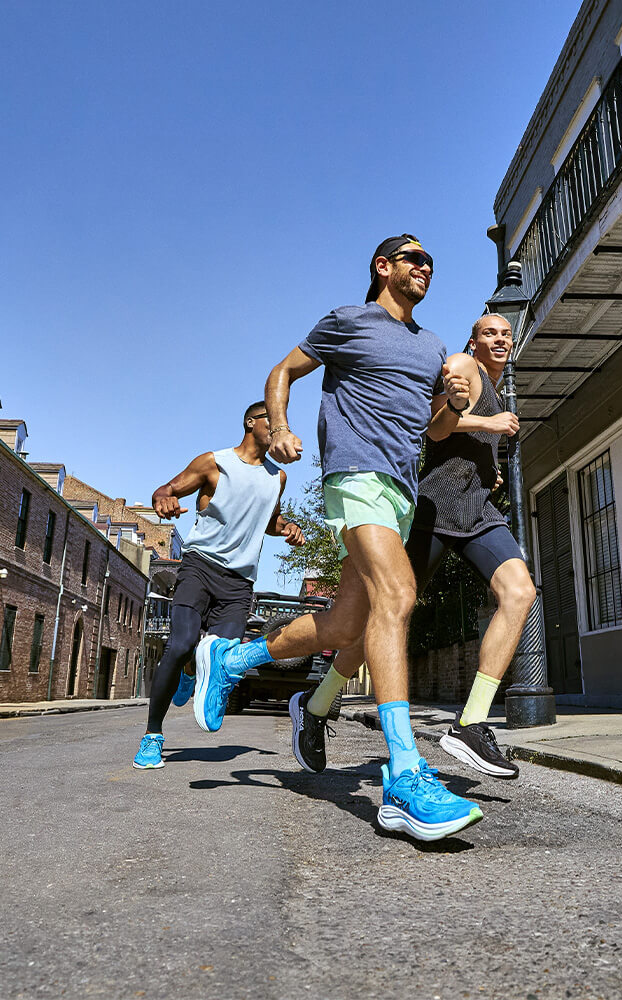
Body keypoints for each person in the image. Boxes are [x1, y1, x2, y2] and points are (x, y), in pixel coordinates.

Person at [193, 234, 484, 842]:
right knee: (397, 597)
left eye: (430, 261)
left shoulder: (431, 345)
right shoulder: (349, 320)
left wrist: (453, 401)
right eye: (413, 257)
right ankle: (404, 776)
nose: (425, 266)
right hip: (356, 473)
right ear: (384, 267)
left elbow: (434, 429)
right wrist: (278, 428)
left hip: (402, 489)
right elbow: (283, 370)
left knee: (347, 624)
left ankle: (234, 658)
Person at [296, 313, 536, 779]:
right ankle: (319, 703)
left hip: (478, 510)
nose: (500, 339)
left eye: (506, 334)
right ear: (475, 339)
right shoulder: (465, 365)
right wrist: (489, 421)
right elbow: (436, 427)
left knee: (520, 592)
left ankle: (470, 722)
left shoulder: (499, 384)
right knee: (383, 615)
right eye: (491, 332)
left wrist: (489, 467)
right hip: (435, 507)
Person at [132, 401, 304, 769]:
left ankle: (193, 671)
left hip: (240, 581)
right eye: (273, 424)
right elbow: (167, 489)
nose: (279, 431)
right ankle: (152, 736)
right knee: (179, 645)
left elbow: (269, 520)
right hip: (200, 567)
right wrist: (163, 500)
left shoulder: (279, 478)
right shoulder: (215, 462)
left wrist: (286, 527)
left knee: (225, 657)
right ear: (250, 423)